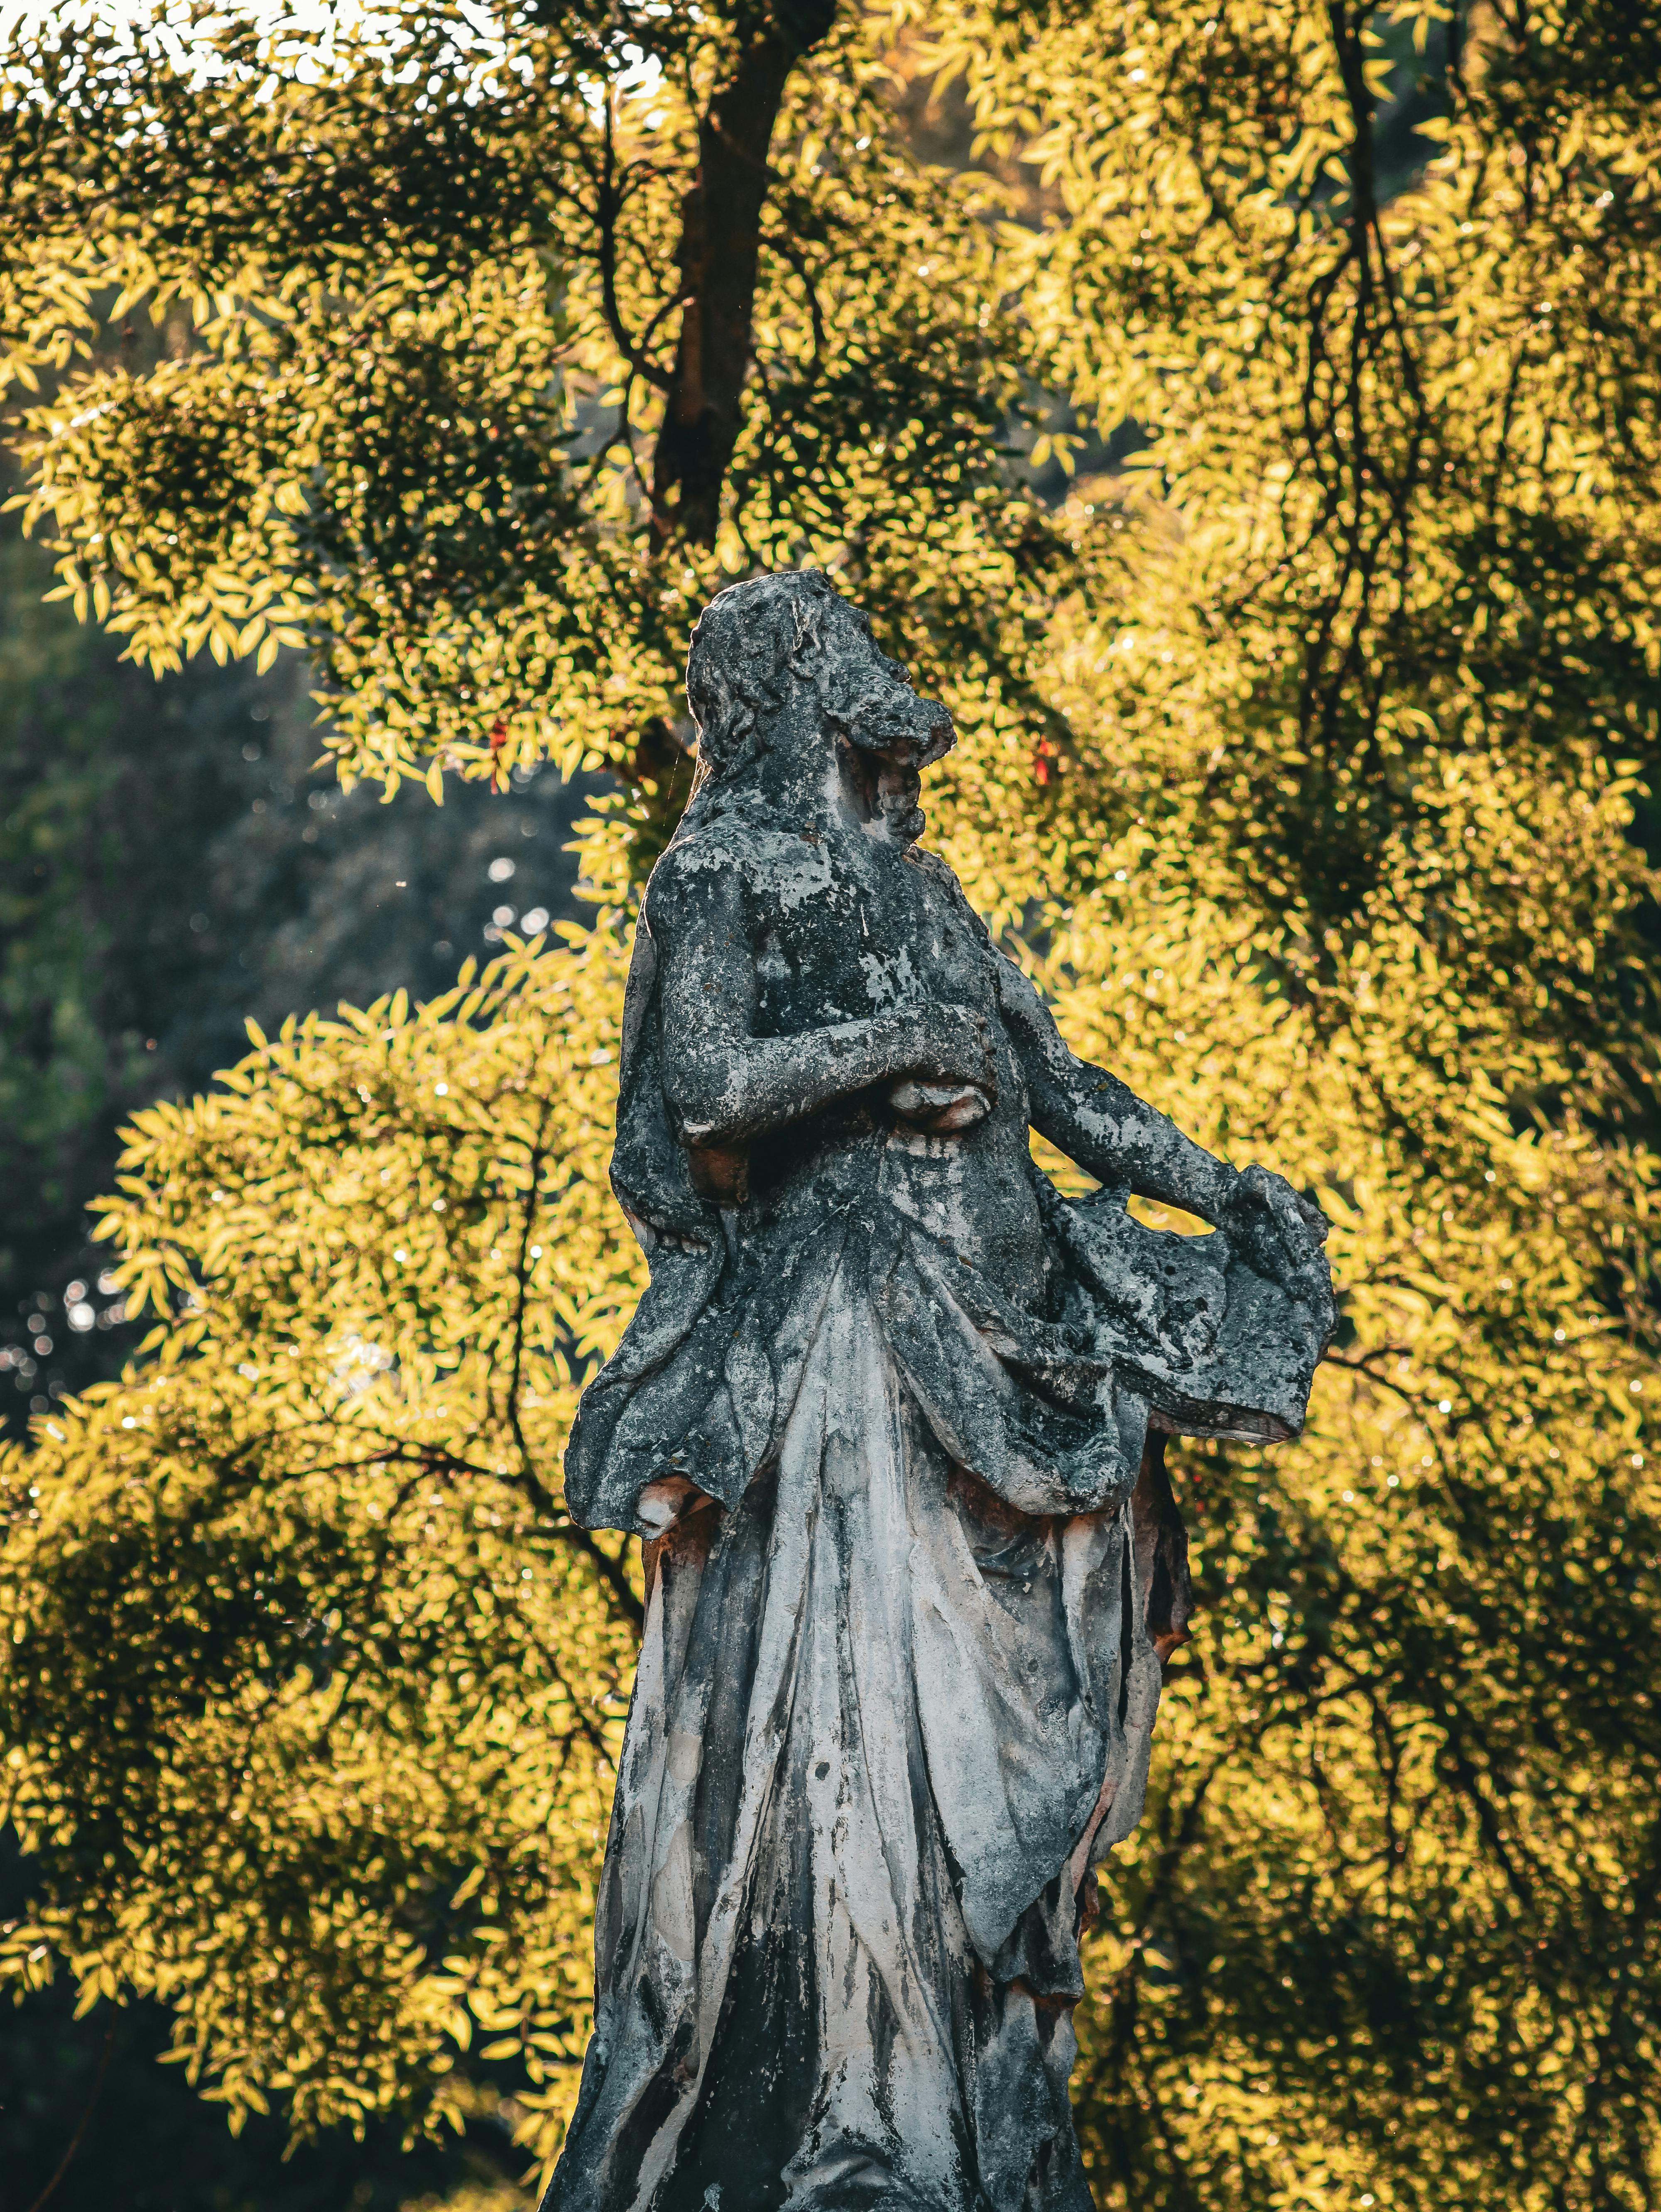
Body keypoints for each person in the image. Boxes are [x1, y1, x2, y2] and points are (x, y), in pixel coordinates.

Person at [544, 570, 1333, 2212]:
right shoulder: (718, 874)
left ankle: (952, 2128)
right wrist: (878, 1043)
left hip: (1003, 1334)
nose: (870, 724)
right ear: (795, 702)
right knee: (833, 1735)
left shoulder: (925, 892)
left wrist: (1223, 1184)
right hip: (830, 1358)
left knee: (1004, 1753)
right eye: (835, 684)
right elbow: (705, 1086)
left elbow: (1053, 1085)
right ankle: (843, 2126)